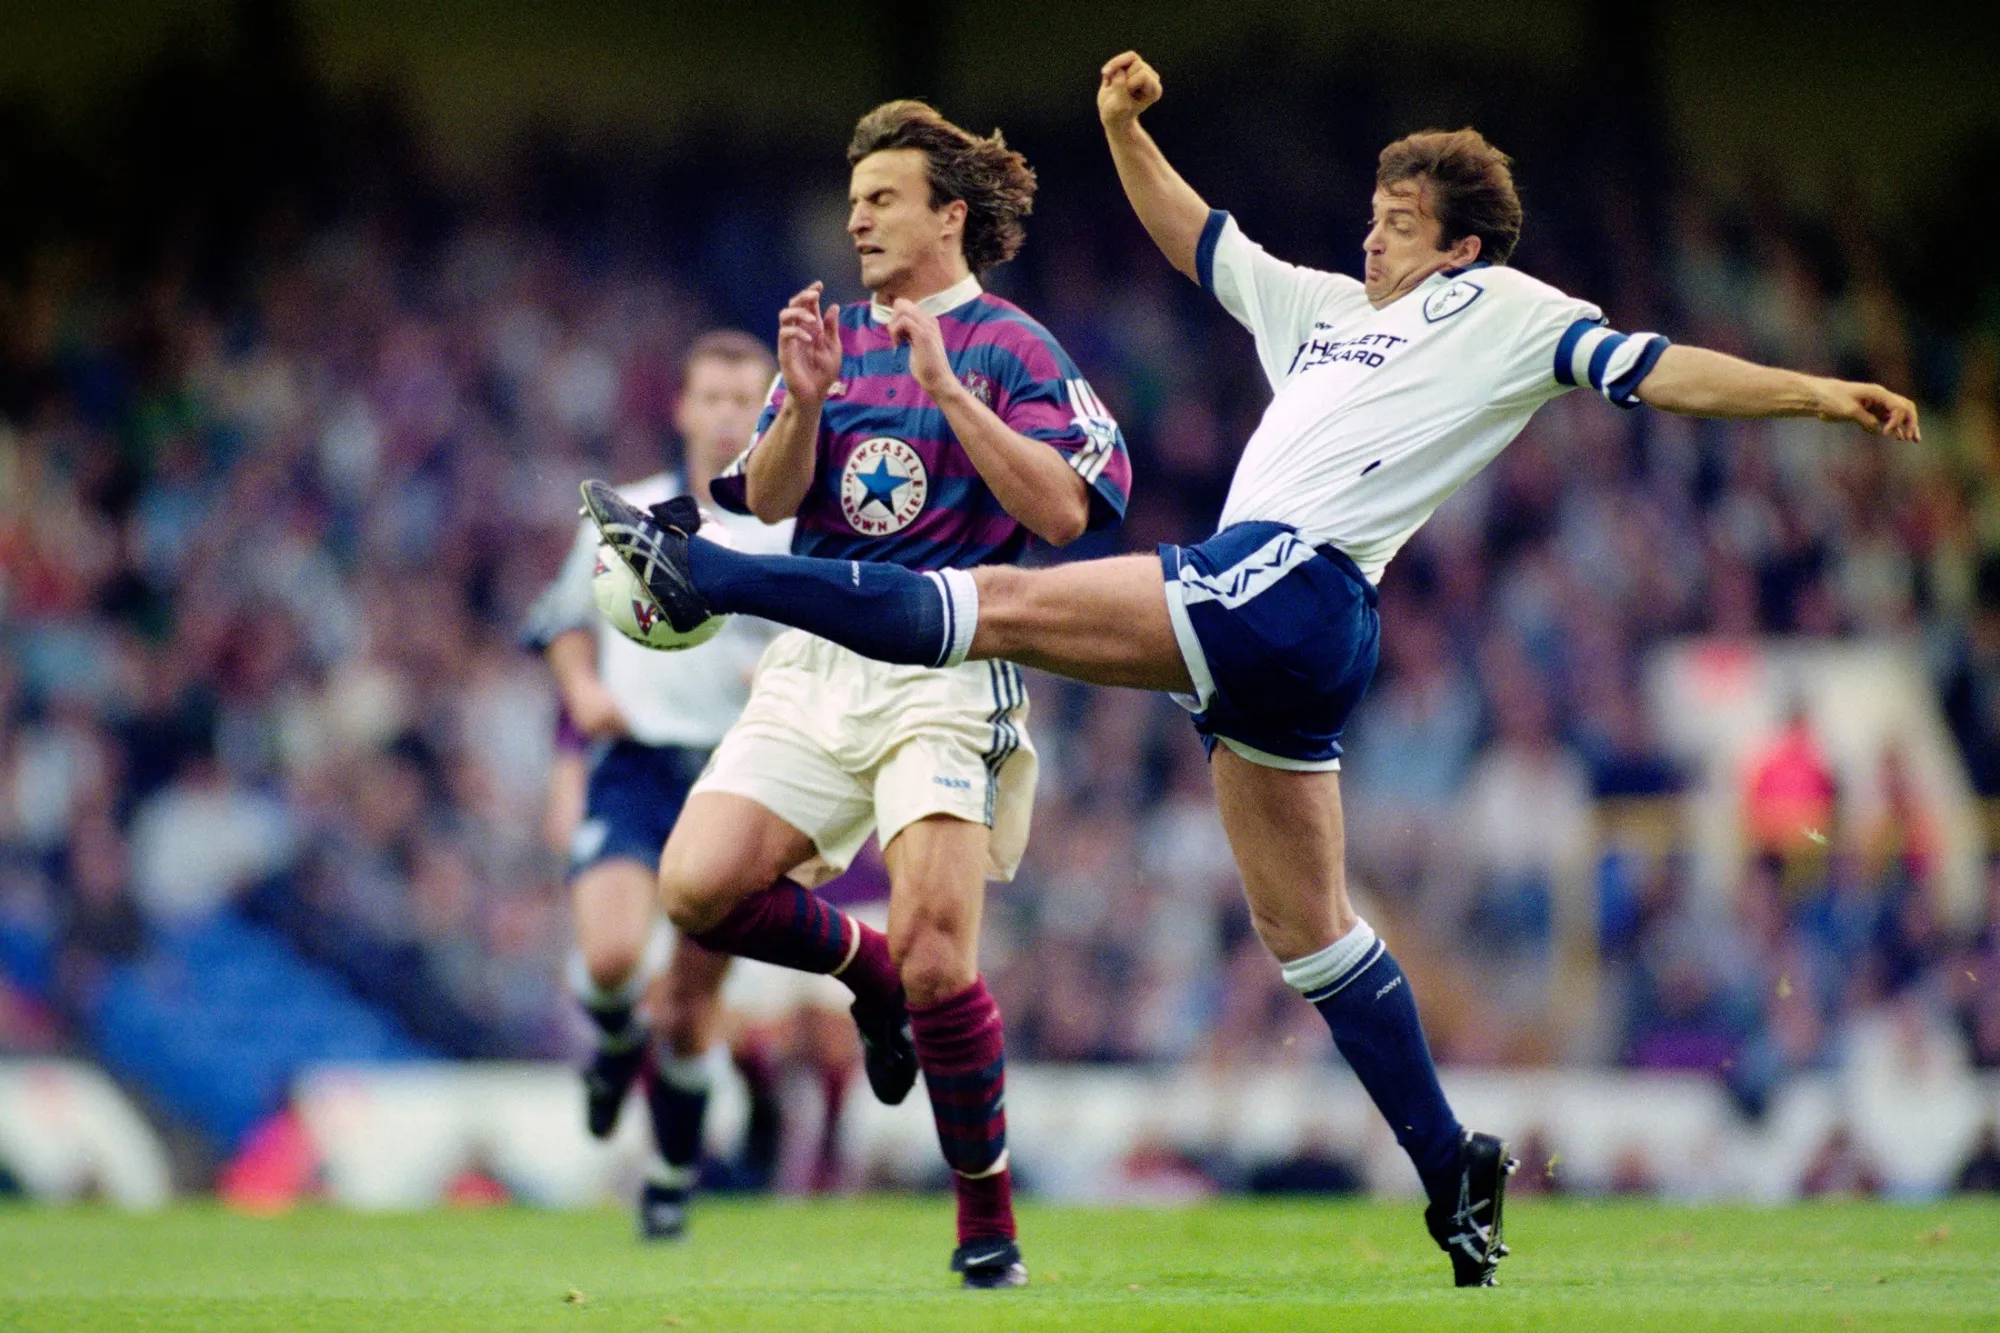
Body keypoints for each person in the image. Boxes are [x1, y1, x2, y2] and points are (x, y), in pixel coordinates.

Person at [583, 53, 1919, 1287]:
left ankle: (707, 573)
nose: (1371, 237)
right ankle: (1451, 1164)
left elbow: (1651, 368)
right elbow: (1200, 239)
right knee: (1310, 935)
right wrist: (1123, 130)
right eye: (1373, 215)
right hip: (1292, 640)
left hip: (1286, 578)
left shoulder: (1504, 309)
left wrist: (1812, 393)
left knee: (995, 605)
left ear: (1458, 246)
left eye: (1399, 223)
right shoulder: (1326, 313)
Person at [596, 100, 1129, 1289]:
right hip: (816, 661)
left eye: (882, 198)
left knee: (942, 958)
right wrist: (802, 399)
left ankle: (985, 1226)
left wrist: (950, 393)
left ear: (949, 216)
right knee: (695, 889)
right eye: (852, 202)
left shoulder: (1014, 347)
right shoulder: (833, 339)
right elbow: (765, 499)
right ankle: (865, 974)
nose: (857, 220)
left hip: (945, 674)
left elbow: (1062, 513)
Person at [524, 329, 799, 1238]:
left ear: (768, 411)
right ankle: (612, 1042)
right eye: (710, 397)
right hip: (635, 764)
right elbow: (563, 620)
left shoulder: (792, 531)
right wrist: (582, 691)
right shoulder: (625, 512)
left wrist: (782, 675)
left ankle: (672, 1178)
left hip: (735, 776)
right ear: (681, 407)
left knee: (688, 1005)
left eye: (743, 400)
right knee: (610, 959)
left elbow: (829, 647)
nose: (725, 414)